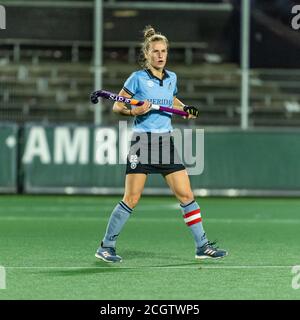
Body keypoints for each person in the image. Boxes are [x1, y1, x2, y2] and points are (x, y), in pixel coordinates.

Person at [95, 25, 228, 263]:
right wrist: (133, 109)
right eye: (155, 51)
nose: (160, 55)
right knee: (131, 198)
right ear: (146, 54)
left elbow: (171, 99)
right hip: (142, 144)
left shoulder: (171, 78)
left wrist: (183, 108)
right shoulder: (137, 79)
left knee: (186, 194)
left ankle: (202, 246)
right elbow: (117, 106)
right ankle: (106, 246)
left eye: (163, 51)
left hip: (166, 143)